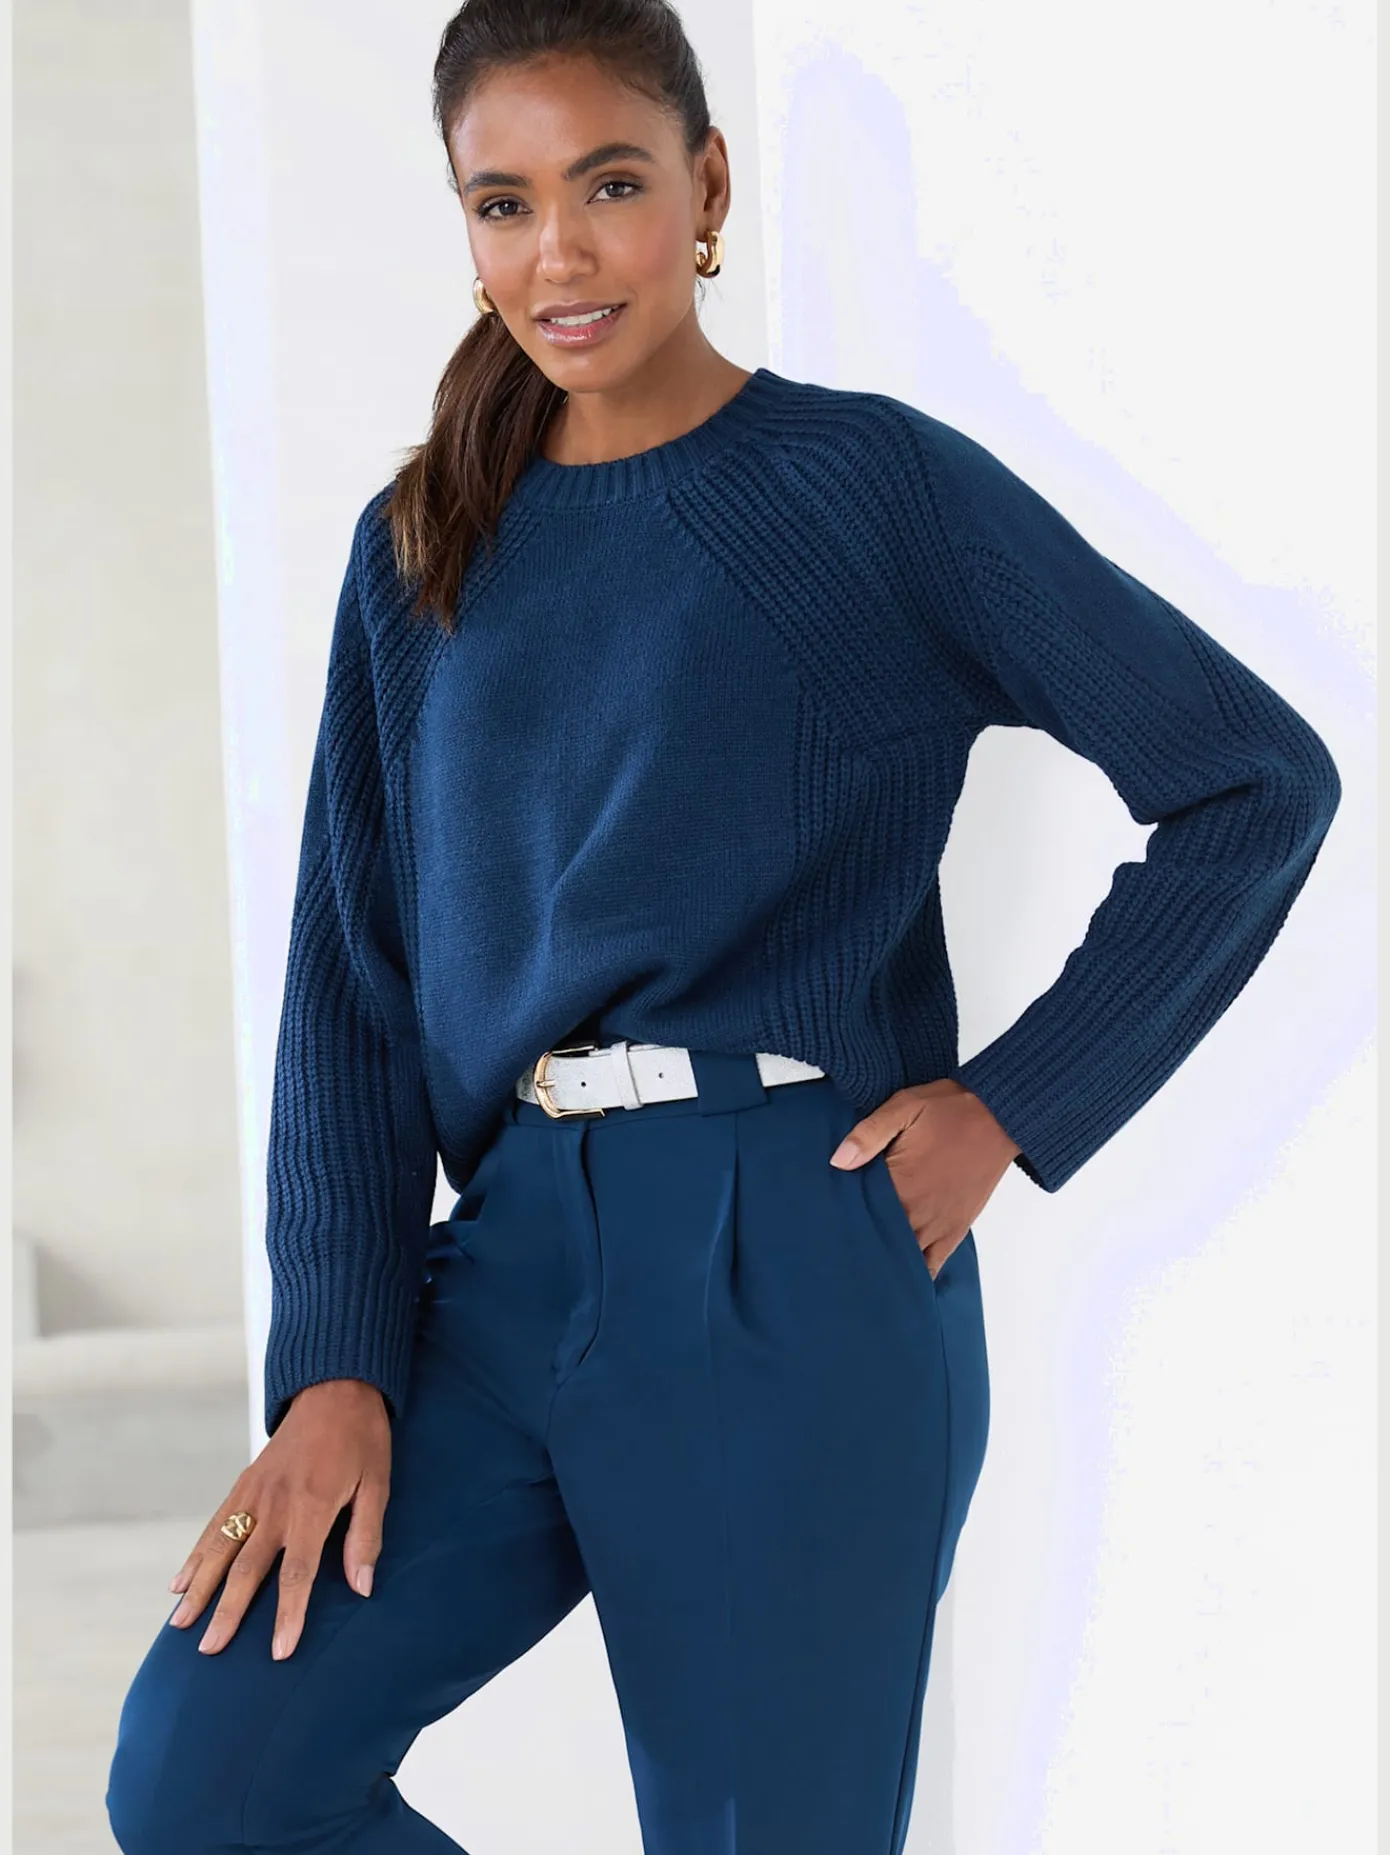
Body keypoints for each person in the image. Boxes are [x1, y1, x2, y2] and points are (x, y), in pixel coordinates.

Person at [104, 2, 1342, 1850]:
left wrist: (1010, 1104)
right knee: (208, 1781)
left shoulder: (869, 488)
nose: (560, 252)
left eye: (609, 185)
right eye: (503, 203)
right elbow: (353, 993)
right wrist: (335, 1365)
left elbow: (1250, 777)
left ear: (706, 188)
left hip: (790, 1243)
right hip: (508, 1261)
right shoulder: (419, 544)